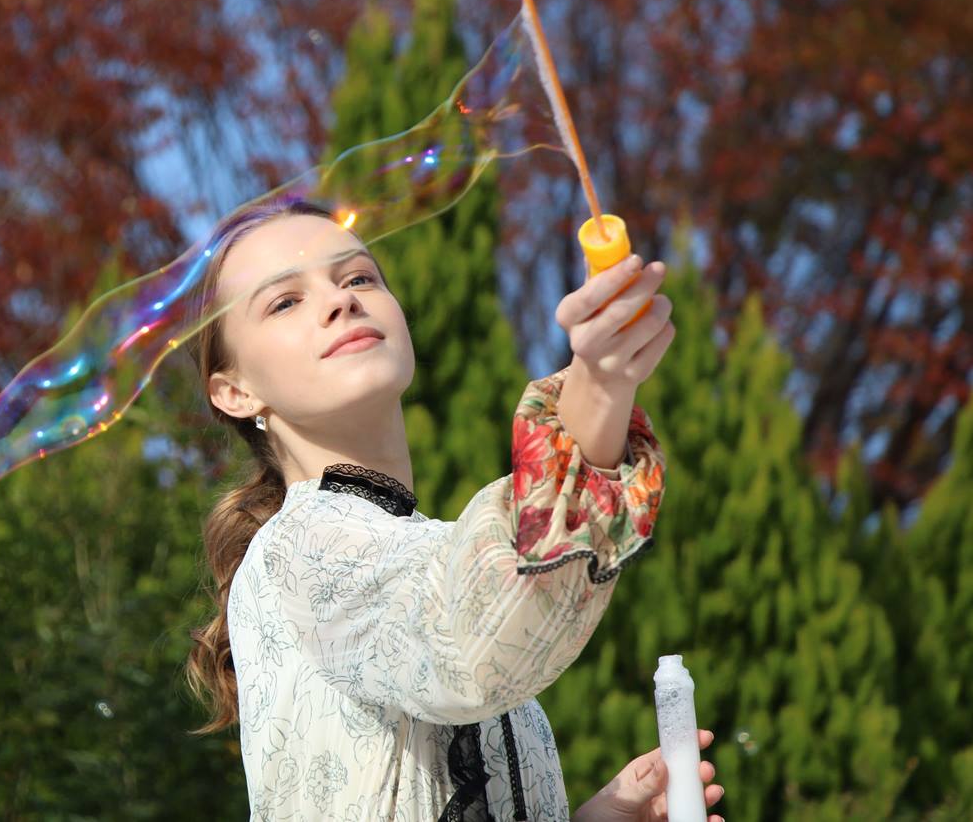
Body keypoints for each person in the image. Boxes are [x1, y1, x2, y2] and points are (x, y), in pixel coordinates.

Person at [184, 197, 724, 821]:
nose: (342, 300)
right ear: (234, 390)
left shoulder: (428, 553)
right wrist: (597, 388)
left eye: (358, 277)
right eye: (285, 301)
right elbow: (470, 643)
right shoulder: (300, 546)